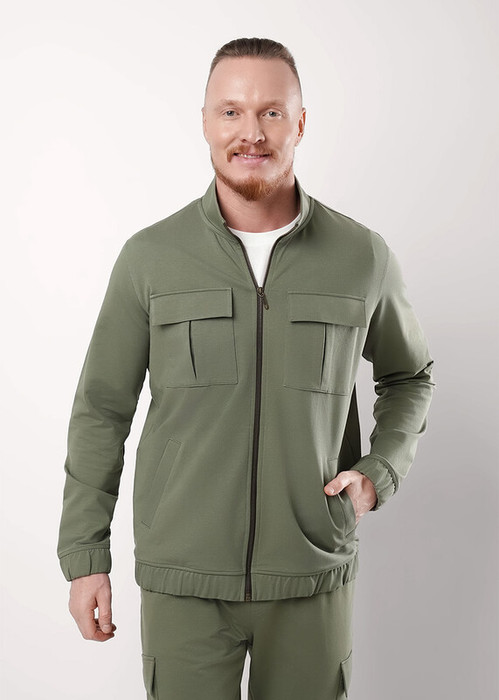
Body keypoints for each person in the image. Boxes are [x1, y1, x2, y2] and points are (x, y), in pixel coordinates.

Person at [58, 37, 434, 699]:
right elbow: (101, 409)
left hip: (311, 572)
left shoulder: (360, 256)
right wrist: (86, 556)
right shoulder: (150, 258)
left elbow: (409, 377)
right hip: (182, 579)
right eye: (231, 112)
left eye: (270, 112)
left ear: (300, 123)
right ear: (205, 121)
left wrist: (379, 473)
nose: (250, 132)